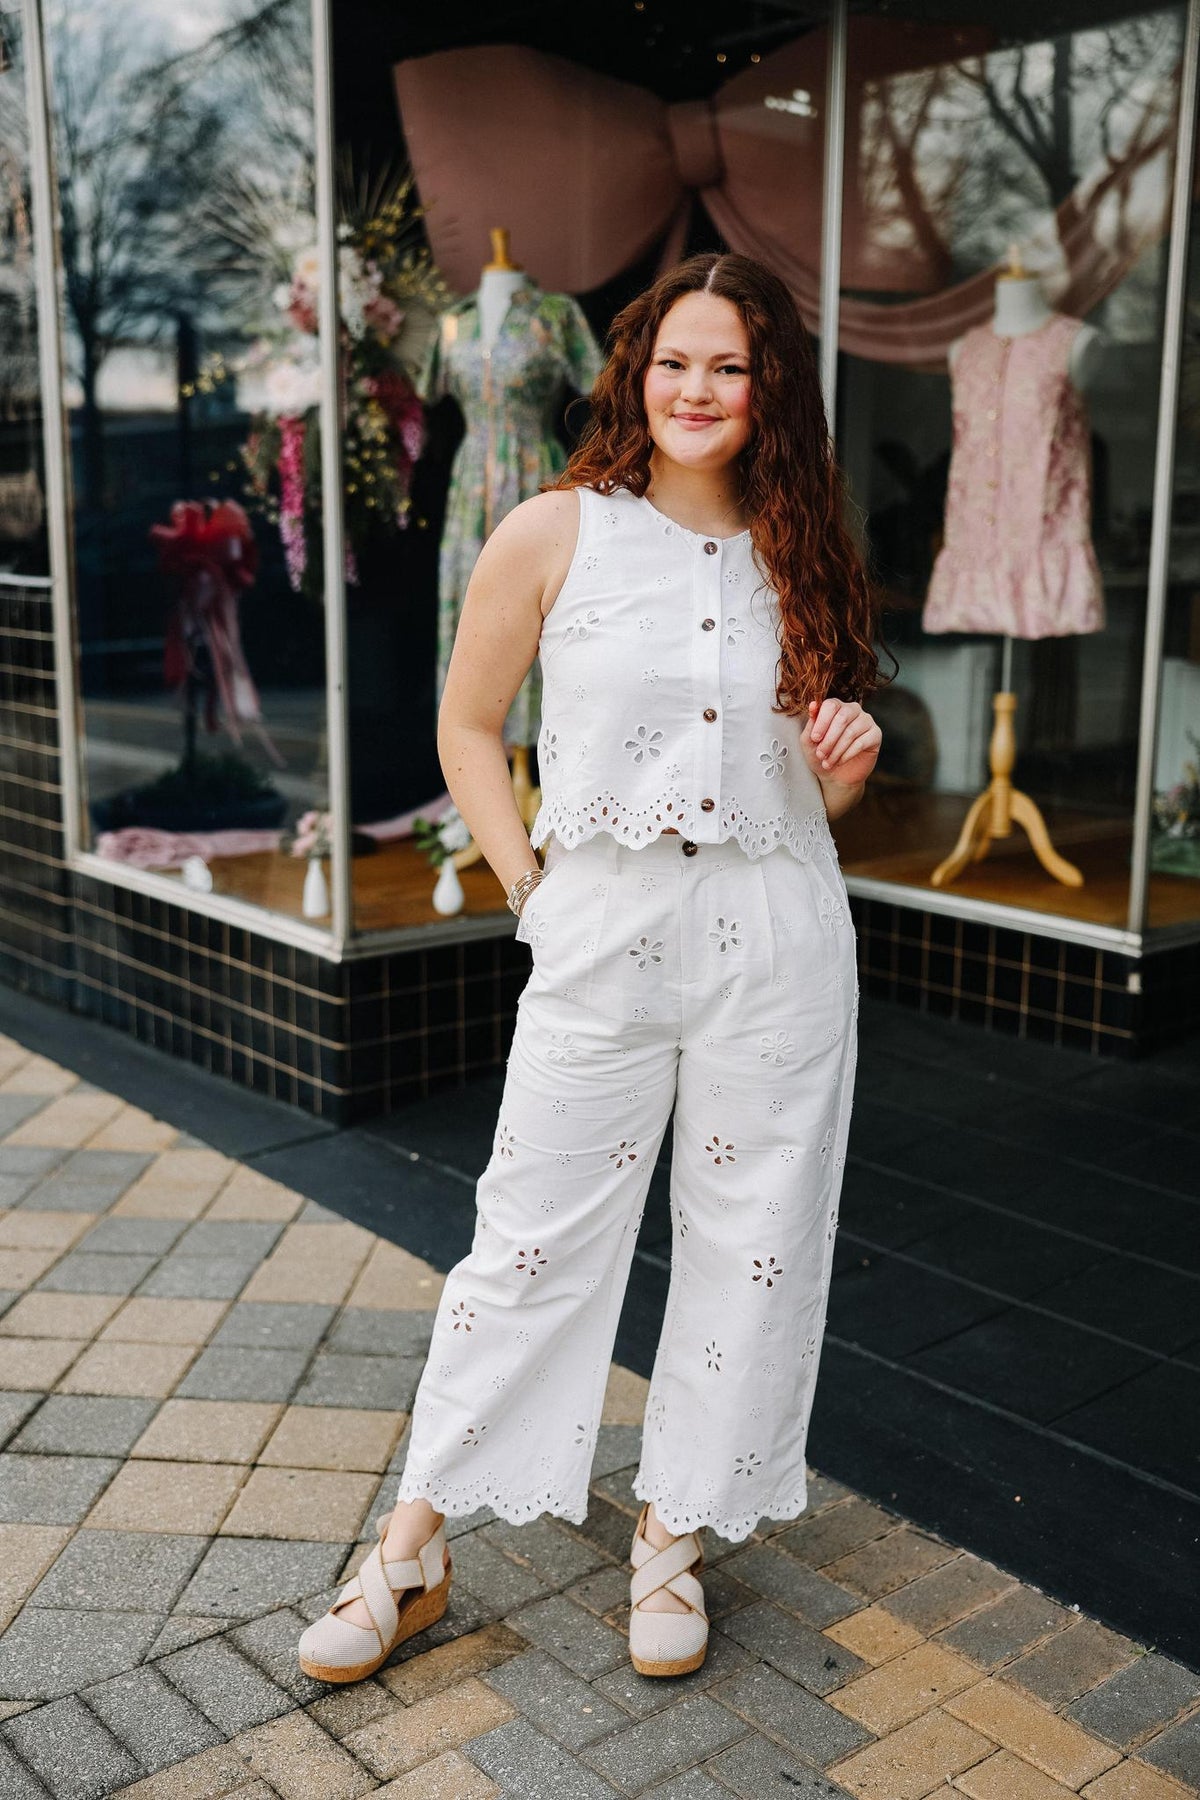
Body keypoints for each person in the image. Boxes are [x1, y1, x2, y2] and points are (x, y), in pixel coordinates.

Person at [298, 251, 883, 1686]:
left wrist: (851, 765)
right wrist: (524, 881)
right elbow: (465, 727)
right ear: (637, 369)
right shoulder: (556, 529)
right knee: (527, 1243)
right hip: (602, 936)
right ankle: (412, 1551)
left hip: (779, 940)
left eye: (730, 367)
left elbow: (813, 788)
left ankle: (672, 1538)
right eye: (677, 361)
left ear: (769, 391)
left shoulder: (798, 545)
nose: (699, 389)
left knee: (753, 1243)